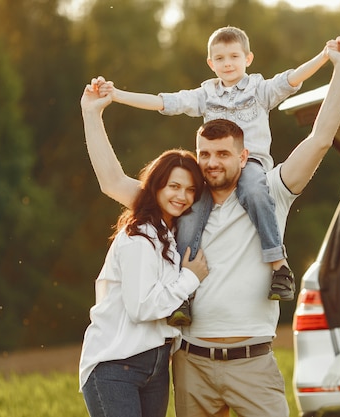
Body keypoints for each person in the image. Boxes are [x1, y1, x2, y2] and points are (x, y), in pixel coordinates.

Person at [85, 35, 340, 417]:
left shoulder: (271, 191)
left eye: (223, 154)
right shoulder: (179, 205)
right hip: (191, 364)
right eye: (205, 154)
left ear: (244, 156)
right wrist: (93, 114)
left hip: (253, 363)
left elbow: (320, 138)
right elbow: (113, 182)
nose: (212, 162)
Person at [95, 26, 334, 313]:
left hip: (251, 164)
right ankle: (183, 292)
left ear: (248, 58)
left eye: (234, 56)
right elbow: (165, 102)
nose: (228, 63)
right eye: (220, 58)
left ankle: (278, 265)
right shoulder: (206, 94)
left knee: (255, 191)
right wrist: (118, 95)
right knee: (191, 214)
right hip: (212, 168)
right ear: (211, 63)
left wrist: (324, 56)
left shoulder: (259, 89)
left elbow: (292, 78)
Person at [77, 92, 210, 417]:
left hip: (156, 364)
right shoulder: (139, 236)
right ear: (157, 187)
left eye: (191, 190)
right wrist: (189, 279)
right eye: (174, 187)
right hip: (115, 364)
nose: (183, 196)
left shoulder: (173, 230)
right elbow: (140, 308)